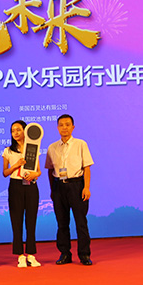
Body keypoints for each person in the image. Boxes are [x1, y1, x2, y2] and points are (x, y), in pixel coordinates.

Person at [44, 114, 94, 266]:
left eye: (67, 124)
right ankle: (65, 253)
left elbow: (86, 167)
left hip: (76, 185)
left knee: (81, 222)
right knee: (62, 223)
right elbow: (50, 170)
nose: (64, 128)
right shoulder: (52, 147)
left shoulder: (80, 144)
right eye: (61, 125)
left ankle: (84, 255)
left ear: (73, 127)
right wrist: (52, 190)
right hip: (58, 187)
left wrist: (86, 187)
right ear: (57, 128)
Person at [2, 120, 42, 268]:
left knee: (31, 221)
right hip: (15, 186)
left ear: (25, 131)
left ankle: (31, 254)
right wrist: (16, 165)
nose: (16, 133)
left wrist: (34, 175)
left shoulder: (33, 148)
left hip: (31, 185)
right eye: (13, 130)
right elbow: (5, 172)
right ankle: (20, 255)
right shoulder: (8, 151)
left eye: (18, 129)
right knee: (16, 220)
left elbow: (38, 171)